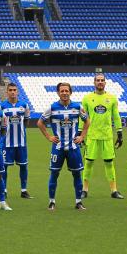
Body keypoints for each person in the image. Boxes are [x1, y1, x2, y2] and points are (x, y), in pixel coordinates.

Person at [37, 82, 89, 211]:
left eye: (66, 91)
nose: (64, 93)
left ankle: (78, 202)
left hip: (73, 147)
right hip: (58, 147)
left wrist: (82, 136)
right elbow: (40, 123)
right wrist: (49, 137)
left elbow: (87, 121)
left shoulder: (77, 107)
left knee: (77, 174)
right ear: (58, 93)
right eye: (62, 91)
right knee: (54, 174)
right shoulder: (52, 108)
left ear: (70, 92)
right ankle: (51, 202)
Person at [81, 73, 124, 199]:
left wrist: (120, 133)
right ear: (94, 83)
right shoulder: (87, 98)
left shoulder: (112, 98)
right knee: (88, 163)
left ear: (105, 83)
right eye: (98, 80)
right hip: (92, 135)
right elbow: (83, 117)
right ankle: (84, 190)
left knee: (109, 163)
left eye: (102, 80)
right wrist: (80, 133)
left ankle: (114, 190)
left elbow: (116, 116)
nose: (100, 82)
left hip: (107, 136)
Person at [0, 83, 32, 199]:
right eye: (10, 90)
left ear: (17, 92)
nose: (13, 92)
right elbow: (1, 123)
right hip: (7, 143)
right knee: (4, 166)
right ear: (7, 92)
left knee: (23, 166)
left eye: (14, 90)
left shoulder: (24, 105)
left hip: (21, 142)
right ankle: (4, 189)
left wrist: (21, 130)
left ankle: (24, 190)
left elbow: (26, 121)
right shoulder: (2, 106)